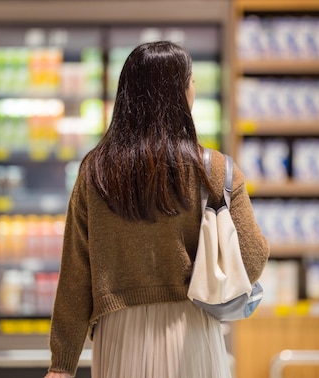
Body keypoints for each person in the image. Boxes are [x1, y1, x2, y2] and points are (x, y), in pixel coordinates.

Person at [44, 40, 269, 378]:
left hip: (118, 335)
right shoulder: (215, 170)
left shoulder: (96, 172)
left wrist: (62, 364)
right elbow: (252, 259)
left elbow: (75, 276)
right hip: (192, 330)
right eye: (191, 82)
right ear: (180, 93)